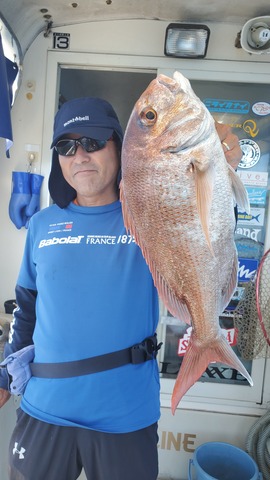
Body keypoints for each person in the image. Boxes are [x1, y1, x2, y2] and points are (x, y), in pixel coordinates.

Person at [0, 96, 242, 480]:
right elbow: (26, 311)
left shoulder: (151, 215)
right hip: (44, 408)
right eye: (66, 146)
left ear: (119, 144)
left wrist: (216, 170)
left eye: (92, 142)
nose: (79, 155)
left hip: (125, 416)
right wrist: (3, 373)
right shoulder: (42, 225)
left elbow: (206, 238)